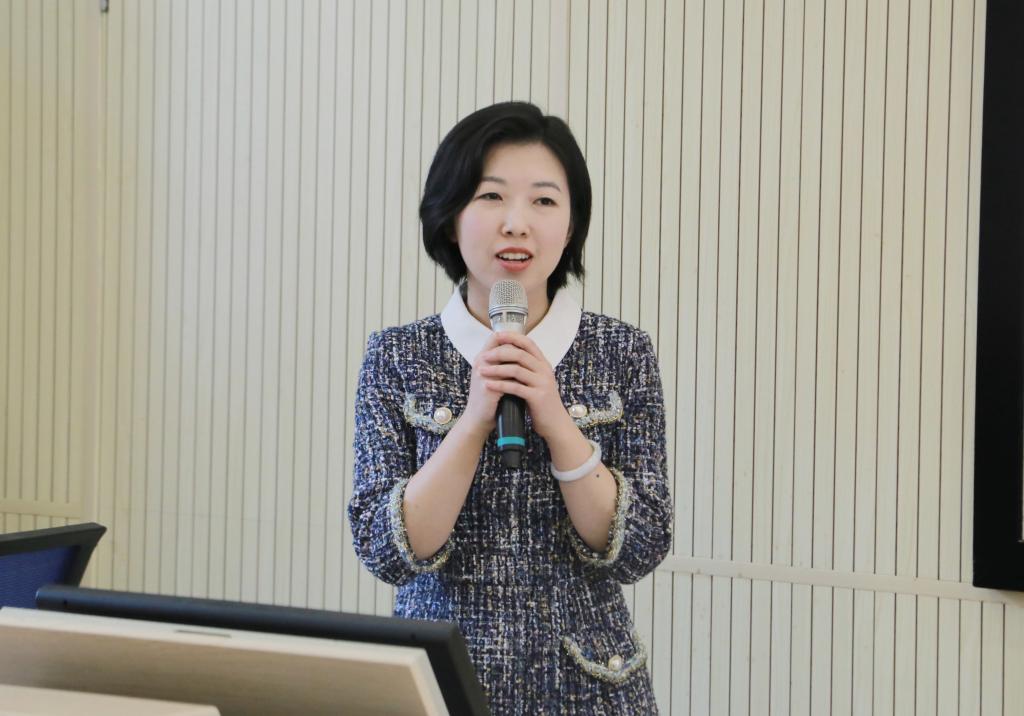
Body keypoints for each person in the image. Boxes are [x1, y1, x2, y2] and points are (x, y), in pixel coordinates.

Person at [347, 101, 673, 714]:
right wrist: (474, 421)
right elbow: (385, 551)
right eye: (491, 196)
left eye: (544, 201)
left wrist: (557, 422)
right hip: (439, 689)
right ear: (450, 219)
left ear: (570, 226)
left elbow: (641, 546)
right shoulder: (397, 355)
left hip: (590, 690)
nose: (517, 224)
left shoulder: (621, 351)